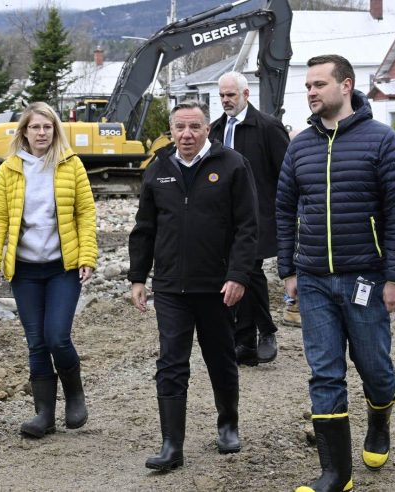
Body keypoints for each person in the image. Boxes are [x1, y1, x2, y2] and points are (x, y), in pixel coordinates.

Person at [276, 54, 395, 492]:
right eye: (308, 86)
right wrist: (288, 270)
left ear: (346, 85)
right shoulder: (300, 145)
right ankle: (336, 474)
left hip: (366, 279)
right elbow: (284, 208)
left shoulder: (382, 141)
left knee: (374, 367)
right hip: (314, 278)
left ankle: (380, 415)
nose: (311, 92)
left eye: (319, 84)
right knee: (324, 373)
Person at [128, 100, 258, 471]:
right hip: (170, 288)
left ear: (207, 130)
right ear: (171, 131)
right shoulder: (158, 170)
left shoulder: (232, 165)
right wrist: (138, 277)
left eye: (194, 127)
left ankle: (228, 424)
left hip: (217, 286)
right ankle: (172, 445)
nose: (186, 135)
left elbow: (247, 228)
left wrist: (238, 275)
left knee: (220, 357)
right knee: (171, 362)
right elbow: (145, 229)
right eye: (179, 128)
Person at [0, 101, 98, 438]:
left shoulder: (71, 165)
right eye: (35, 127)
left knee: (57, 336)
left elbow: (85, 214)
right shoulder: (9, 169)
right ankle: (43, 414)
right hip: (25, 271)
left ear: (55, 130)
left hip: (63, 267)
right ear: (25, 131)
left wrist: (88, 256)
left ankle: (74, 395)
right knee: (36, 343)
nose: (42, 133)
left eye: (47, 127)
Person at [209, 71, 290, 365]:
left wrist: (286, 213)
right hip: (223, 218)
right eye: (222, 96)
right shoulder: (216, 130)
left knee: (249, 270)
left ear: (245, 95)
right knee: (234, 273)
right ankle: (244, 341)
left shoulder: (267, 127)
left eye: (231, 95)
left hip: (258, 216)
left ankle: (266, 331)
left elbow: (286, 173)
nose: (226, 100)